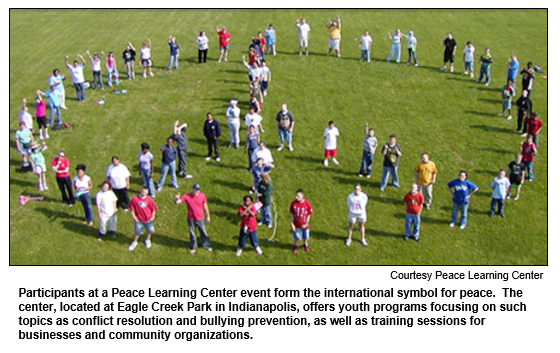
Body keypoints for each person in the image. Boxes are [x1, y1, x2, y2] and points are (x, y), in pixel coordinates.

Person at [174, 183, 212, 254]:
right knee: (192, 234)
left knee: (204, 233)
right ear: (192, 189)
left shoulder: (202, 195)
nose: (196, 191)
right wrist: (176, 198)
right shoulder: (187, 196)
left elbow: (205, 206)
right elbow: (177, 202)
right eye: (195, 190)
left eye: (197, 190)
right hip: (191, 219)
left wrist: (208, 216)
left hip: (200, 218)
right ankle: (193, 247)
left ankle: (207, 246)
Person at [128, 186, 157, 251]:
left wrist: (153, 216)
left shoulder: (149, 199)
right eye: (143, 191)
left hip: (148, 219)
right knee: (137, 232)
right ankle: (134, 242)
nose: (144, 193)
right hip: (139, 220)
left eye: (146, 192)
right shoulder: (135, 199)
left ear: (147, 192)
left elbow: (153, 209)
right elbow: (131, 210)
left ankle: (148, 240)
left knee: (149, 231)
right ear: (140, 191)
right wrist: (134, 217)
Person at [290, 189, 314, 254]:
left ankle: (305, 244)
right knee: (297, 236)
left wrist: (306, 223)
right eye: (296, 196)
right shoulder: (293, 204)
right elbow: (292, 214)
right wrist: (292, 223)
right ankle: (296, 245)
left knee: (305, 236)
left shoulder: (307, 203)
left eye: (298, 196)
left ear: (302, 196)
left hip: (305, 224)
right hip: (296, 224)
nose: (296, 197)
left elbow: (309, 214)